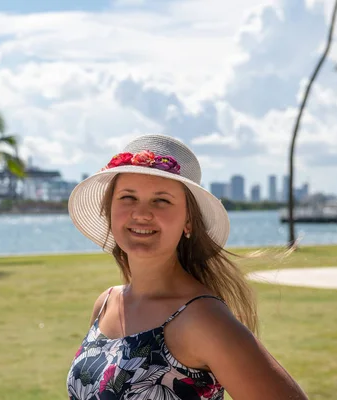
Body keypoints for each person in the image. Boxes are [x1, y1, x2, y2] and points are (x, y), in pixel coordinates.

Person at [66, 134, 308, 400]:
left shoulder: (202, 318)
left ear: (188, 221)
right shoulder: (105, 304)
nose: (141, 213)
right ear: (109, 210)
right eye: (128, 197)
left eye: (162, 200)